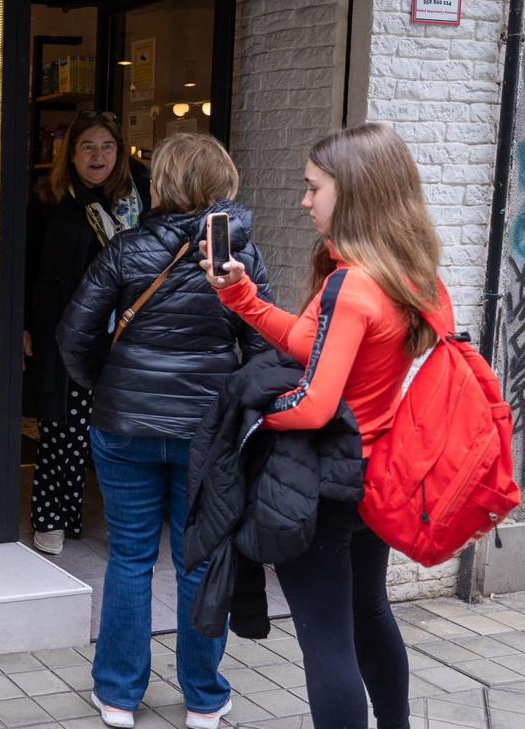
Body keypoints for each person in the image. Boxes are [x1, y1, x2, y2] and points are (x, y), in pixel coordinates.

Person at [200, 122, 436, 729]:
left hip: (322, 488)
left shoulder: (350, 286)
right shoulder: (409, 272)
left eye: (314, 187)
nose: (304, 200)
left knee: (327, 642)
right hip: (372, 479)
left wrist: (251, 419)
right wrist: (243, 296)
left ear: (354, 191)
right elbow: (315, 345)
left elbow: (312, 403)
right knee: (369, 616)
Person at [57, 132, 271, 729]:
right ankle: (203, 698)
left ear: (164, 184)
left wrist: (111, 386)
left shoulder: (127, 250)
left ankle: (119, 696)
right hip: (208, 429)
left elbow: (73, 336)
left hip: (125, 427)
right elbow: (266, 345)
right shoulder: (240, 257)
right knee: (198, 560)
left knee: (130, 558)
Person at [23, 111, 150, 556]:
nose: (98, 156)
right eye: (87, 147)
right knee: (61, 429)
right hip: (65, 331)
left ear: (119, 152)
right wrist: (22, 324)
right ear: (71, 154)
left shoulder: (139, 202)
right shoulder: (50, 199)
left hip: (124, 335)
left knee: (116, 430)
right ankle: (52, 518)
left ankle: (100, 517)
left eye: (107, 147)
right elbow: (26, 264)